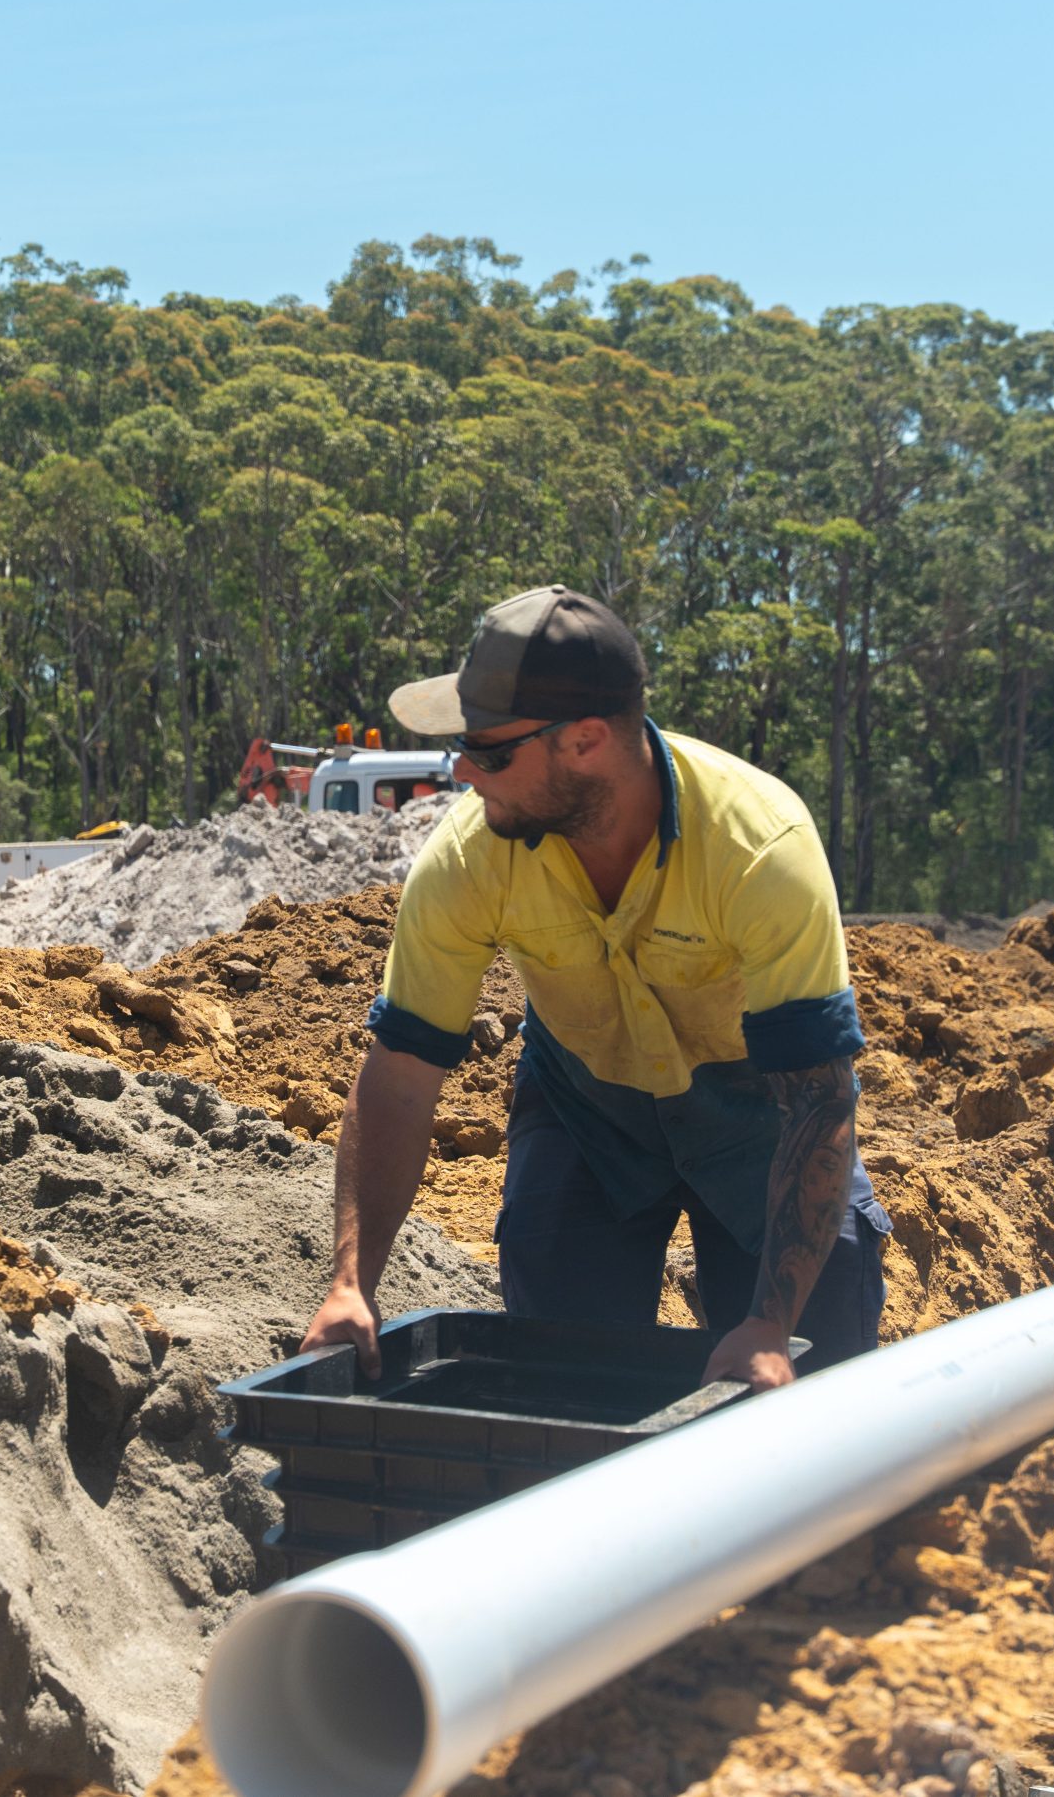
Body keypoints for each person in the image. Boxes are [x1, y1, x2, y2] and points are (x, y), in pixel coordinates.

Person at [298, 586, 890, 1391]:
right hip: (586, 1110)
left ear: (583, 741)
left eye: (489, 750)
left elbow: (819, 1097)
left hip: (762, 1115)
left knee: (820, 1386)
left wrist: (770, 1323)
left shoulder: (758, 848)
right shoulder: (469, 858)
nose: (462, 771)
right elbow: (401, 1077)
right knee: (560, 1375)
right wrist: (350, 1285)